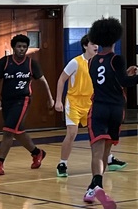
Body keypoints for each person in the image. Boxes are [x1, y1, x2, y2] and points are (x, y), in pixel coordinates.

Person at [84, 17, 138, 209]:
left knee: (97, 151)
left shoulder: (91, 61)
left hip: (99, 108)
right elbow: (123, 83)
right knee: (106, 152)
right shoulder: (116, 59)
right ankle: (93, 188)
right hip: (116, 109)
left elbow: (108, 81)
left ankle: (96, 185)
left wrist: (124, 74)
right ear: (115, 38)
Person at [53, 34, 126, 178]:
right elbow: (61, 80)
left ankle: (109, 159)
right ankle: (62, 163)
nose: (96, 46)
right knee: (72, 133)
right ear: (85, 46)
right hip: (74, 102)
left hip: (92, 102)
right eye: (93, 44)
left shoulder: (99, 62)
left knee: (101, 135)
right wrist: (58, 100)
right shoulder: (76, 62)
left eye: (97, 44)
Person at [0, 34, 54, 175]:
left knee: (8, 131)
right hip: (7, 101)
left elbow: (43, 81)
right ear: (13, 47)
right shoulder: (5, 62)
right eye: (19, 46)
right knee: (17, 131)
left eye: (24, 47)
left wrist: (50, 98)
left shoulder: (32, 64)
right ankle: (37, 153)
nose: (22, 49)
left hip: (23, 100)